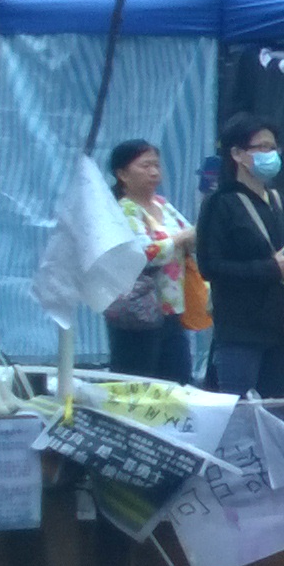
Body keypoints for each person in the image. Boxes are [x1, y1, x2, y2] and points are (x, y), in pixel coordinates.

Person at [193, 116, 284, 396]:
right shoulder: (220, 203)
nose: (271, 155)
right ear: (237, 154)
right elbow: (210, 267)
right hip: (239, 330)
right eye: (262, 147)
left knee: (275, 409)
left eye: (274, 148)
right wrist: (270, 268)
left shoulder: (279, 201)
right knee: (237, 410)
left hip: (282, 328)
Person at [101, 138, 196, 384]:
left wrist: (184, 239)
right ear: (122, 173)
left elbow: (193, 238)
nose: (153, 172)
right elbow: (143, 253)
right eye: (145, 166)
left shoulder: (162, 205)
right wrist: (179, 240)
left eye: (156, 165)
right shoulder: (125, 209)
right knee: (139, 383)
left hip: (171, 309)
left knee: (178, 381)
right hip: (137, 313)